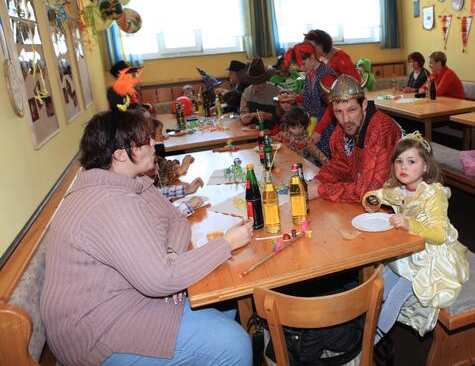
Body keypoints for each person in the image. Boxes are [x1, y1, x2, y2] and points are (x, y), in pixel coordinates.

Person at [40, 109, 253, 366]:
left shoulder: (130, 180)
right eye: (145, 140)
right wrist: (226, 243)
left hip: (126, 300)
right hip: (95, 334)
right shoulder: (109, 202)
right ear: (120, 154)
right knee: (234, 345)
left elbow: (175, 219)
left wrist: (171, 253)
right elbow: (160, 280)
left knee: (225, 303)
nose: (154, 143)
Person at [362, 132, 469, 337]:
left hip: (430, 257)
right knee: (378, 284)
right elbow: (377, 194)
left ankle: (370, 342)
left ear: (425, 166)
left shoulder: (433, 194)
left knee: (395, 296)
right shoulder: (399, 190)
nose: (403, 167)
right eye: (399, 161)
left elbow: (439, 234)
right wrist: (370, 200)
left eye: (411, 161)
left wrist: (409, 224)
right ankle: (361, 329)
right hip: (407, 252)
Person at [306, 75, 402, 202]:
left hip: (398, 205)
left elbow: (369, 191)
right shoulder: (339, 133)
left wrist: (320, 190)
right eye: (338, 112)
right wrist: (318, 181)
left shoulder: (381, 130)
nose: (345, 119)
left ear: (364, 104)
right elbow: (339, 166)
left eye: (351, 110)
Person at [285, 42, 338, 158]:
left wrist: (319, 130)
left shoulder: (326, 76)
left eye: (303, 64)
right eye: (299, 66)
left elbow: (333, 105)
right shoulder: (310, 73)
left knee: (325, 159)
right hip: (315, 123)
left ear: (313, 57)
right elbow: (313, 96)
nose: (301, 69)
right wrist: (295, 98)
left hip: (327, 126)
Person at [239, 58, 281, 130]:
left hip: (275, 131)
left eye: (259, 82)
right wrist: (244, 118)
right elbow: (243, 112)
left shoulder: (277, 91)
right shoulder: (247, 92)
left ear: (265, 79)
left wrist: (269, 116)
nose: (256, 85)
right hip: (253, 132)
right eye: (253, 83)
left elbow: (285, 117)